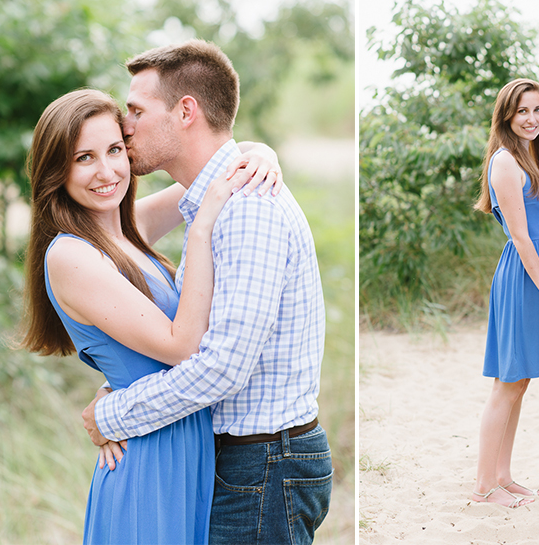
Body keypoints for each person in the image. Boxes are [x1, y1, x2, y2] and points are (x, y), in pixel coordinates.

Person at [80, 39, 333, 544]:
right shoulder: (214, 200)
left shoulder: (247, 210)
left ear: (186, 111)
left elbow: (222, 367)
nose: (125, 126)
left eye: (136, 110)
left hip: (261, 467)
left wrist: (112, 413)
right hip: (237, 462)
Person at [21, 88, 282, 544]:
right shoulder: (70, 255)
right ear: (56, 170)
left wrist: (262, 152)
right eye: (84, 157)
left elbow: (215, 169)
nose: (107, 172)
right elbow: (182, 346)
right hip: (147, 462)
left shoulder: (124, 229)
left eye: (115, 149)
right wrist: (200, 229)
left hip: (184, 446)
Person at [471, 78, 539, 508]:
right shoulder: (505, 162)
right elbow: (523, 238)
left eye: (537, 110)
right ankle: (484, 485)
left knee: (520, 381)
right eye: (522, 111)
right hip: (525, 278)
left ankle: (503, 476)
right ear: (507, 115)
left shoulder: (532, 156)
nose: (531, 119)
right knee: (506, 383)